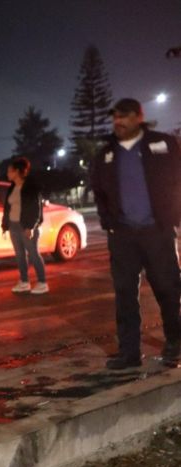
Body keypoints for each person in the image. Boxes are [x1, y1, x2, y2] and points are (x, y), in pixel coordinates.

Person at [90, 98, 181, 370]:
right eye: (115, 116)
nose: (119, 121)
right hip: (123, 236)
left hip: (157, 231)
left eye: (125, 116)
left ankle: (175, 342)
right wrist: (110, 222)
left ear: (139, 116)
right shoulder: (106, 154)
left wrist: (172, 216)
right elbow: (99, 191)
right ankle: (129, 352)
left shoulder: (163, 144)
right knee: (125, 294)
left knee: (167, 289)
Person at [1, 157, 48, 294]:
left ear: (17, 171)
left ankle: (42, 282)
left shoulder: (31, 187)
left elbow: (36, 209)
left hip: (26, 227)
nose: (8, 173)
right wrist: (5, 225)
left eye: (10, 171)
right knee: (20, 255)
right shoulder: (12, 188)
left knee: (33, 254)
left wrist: (31, 227)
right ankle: (24, 281)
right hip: (13, 225)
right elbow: (7, 207)